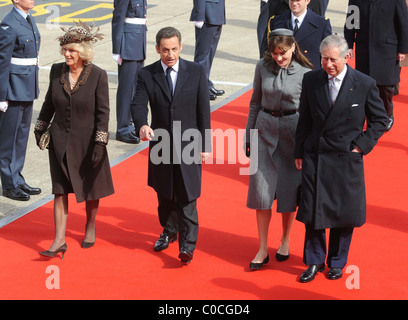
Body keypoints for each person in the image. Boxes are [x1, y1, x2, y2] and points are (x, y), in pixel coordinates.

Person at [294, 35, 388, 282]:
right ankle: (314, 262)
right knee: (313, 212)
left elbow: (381, 120)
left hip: (346, 158)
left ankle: (337, 262)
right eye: (324, 58)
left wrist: (360, 146)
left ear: (347, 57)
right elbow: (304, 119)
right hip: (316, 156)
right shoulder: (311, 80)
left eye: (333, 59)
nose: (328, 64)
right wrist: (299, 152)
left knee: (343, 213)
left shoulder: (364, 83)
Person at [131, 27, 211, 264]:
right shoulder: (146, 74)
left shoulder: (196, 71)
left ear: (181, 47)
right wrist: (142, 125)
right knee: (164, 193)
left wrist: (205, 144)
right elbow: (138, 103)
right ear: (157, 49)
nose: (170, 54)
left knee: (187, 195)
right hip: (160, 142)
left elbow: (203, 111)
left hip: (189, 143)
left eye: (174, 49)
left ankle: (188, 245)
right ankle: (169, 230)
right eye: (165, 50)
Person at [35, 22, 115, 259]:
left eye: (72, 50)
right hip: (59, 141)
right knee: (60, 190)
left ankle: (90, 225)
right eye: (65, 50)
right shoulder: (56, 71)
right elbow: (49, 103)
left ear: (83, 52)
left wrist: (100, 143)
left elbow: (103, 113)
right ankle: (59, 240)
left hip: (88, 142)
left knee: (91, 188)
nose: (67, 54)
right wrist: (40, 128)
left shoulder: (98, 75)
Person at [244, 29, 313, 270]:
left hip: (292, 135)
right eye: (274, 53)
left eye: (282, 53)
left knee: (288, 191)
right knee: (261, 192)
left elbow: (308, 114)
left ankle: (285, 240)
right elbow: (254, 102)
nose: (278, 58)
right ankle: (262, 248)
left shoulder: (306, 74)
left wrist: (305, 146)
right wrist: (248, 136)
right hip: (264, 131)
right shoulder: (262, 67)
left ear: (293, 48)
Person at [344, 0, 408, 131]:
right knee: (365, 85)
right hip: (364, 48)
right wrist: (349, 45)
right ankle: (370, 115)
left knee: (385, 86)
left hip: (387, 49)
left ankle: (386, 115)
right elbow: (351, 22)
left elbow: (404, 24)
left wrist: (403, 49)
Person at [0, 0, 41, 201]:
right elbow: (3, 62)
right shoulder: (9, 23)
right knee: (8, 139)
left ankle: (17, 177)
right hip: (13, 88)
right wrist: (1, 96)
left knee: (22, 137)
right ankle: (8, 183)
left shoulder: (28, 19)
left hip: (27, 85)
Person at [111, 0, 147, 144]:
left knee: (136, 87)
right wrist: (117, 48)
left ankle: (131, 123)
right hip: (128, 43)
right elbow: (118, 17)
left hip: (138, 40)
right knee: (126, 89)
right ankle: (123, 129)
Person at [266, 0, 332, 69]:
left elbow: (328, 54)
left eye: (298, 0)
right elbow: (268, 51)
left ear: (307, 1)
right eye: (292, 0)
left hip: (309, 73)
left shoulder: (321, 24)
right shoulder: (276, 21)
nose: (294, 3)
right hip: (282, 72)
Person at [190, 0, 226, 101]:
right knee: (202, 55)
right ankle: (199, 88)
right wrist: (199, 16)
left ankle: (206, 84)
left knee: (210, 54)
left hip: (217, 13)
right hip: (206, 15)